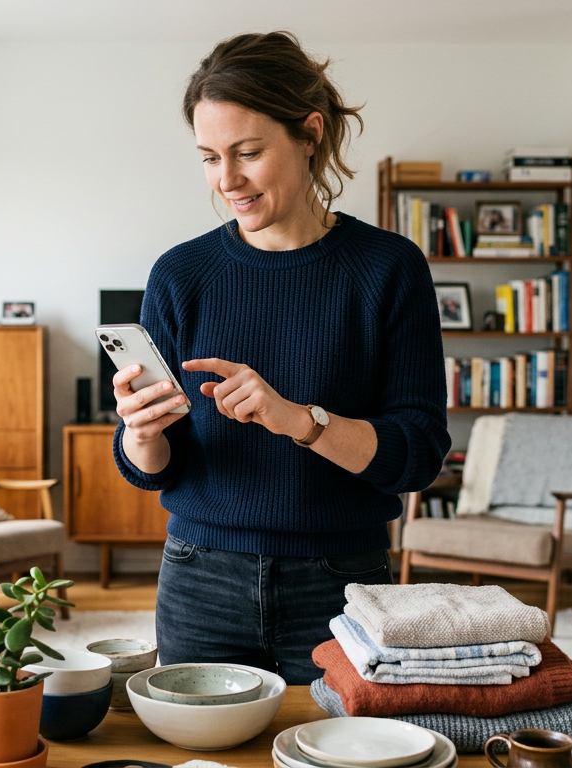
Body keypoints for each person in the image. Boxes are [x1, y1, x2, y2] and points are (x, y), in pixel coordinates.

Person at [111, 31, 451, 684]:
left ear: (310, 133)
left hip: (344, 585)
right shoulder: (180, 275)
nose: (226, 180)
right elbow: (151, 469)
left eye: (248, 153)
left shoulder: (389, 269)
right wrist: (139, 432)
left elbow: (418, 454)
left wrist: (300, 421)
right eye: (210, 157)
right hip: (199, 576)